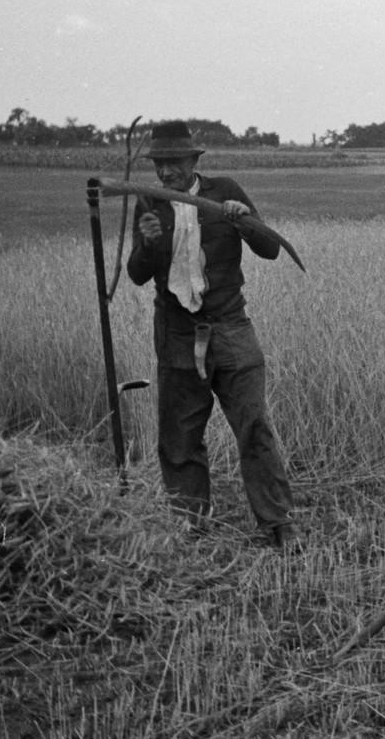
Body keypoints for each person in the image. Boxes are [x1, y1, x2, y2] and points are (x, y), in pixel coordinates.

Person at [126, 121, 301, 549]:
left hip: (229, 327)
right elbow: (135, 273)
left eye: (174, 163)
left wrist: (244, 222)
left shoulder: (226, 191)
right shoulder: (151, 202)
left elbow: (270, 249)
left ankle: (277, 523)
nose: (166, 173)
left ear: (193, 161)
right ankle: (190, 525)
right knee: (179, 435)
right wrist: (148, 245)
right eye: (159, 164)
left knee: (253, 426)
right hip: (176, 332)